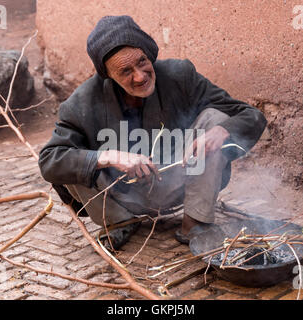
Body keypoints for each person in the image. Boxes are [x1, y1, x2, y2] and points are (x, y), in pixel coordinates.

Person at [38, 15, 267, 250]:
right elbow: (48, 161)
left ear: (149, 53)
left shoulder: (180, 75)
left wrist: (222, 131)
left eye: (142, 61)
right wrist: (109, 157)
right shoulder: (82, 102)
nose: (140, 76)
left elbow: (249, 115)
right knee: (75, 161)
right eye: (125, 71)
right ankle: (120, 221)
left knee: (216, 119)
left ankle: (195, 222)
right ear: (108, 75)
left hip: (176, 182)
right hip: (120, 195)